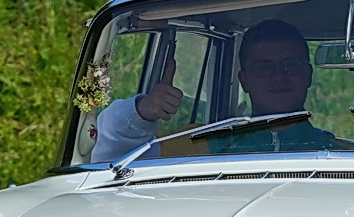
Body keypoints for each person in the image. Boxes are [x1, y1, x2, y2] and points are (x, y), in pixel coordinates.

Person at [89, 19, 336, 161]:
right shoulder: (197, 144)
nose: (279, 76)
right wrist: (140, 112)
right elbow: (106, 161)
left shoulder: (342, 155)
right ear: (244, 80)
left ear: (308, 75)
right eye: (264, 68)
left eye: (291, 66)